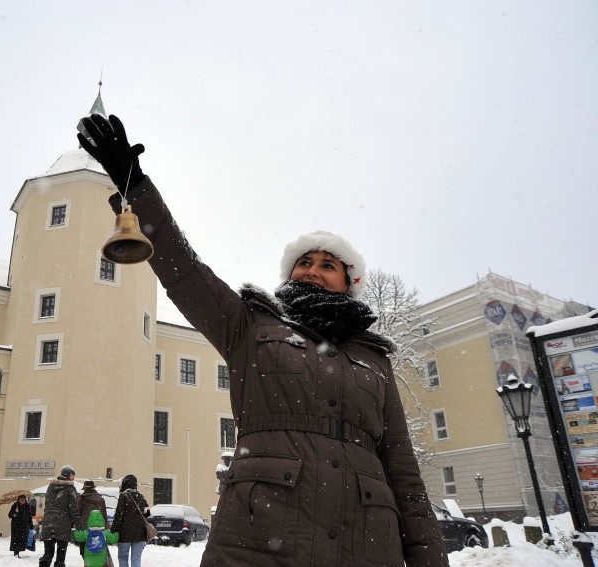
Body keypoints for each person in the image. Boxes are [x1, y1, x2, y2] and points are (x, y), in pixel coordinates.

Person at [78, 114, 450, 566]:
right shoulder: (252, 327)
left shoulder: (374, 359)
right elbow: (185, 271)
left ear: (349, 282)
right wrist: (134, 185)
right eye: (303, 262)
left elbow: (404, 472)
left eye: (327, 264)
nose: (311, 269)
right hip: (259, 537)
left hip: (366, 542)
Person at [39, 465, 81, 567]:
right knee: (61, 555)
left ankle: (45, 562)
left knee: (48, 552)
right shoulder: (70, 488)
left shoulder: (50, 487)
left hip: (48, 523)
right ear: (67, 475)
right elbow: (73, 509)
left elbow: (47, 505)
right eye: (72, 475)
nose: (73, 478)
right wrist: (79, 524)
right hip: (63, 525)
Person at [110, 474, 150, 567]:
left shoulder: (123, 496)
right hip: (140, 534)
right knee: (136, 559)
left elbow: (118, 515)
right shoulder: (141, 497)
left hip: (125, 534)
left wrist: (114, 529)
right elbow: (147, 513)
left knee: (123, 557)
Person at [76, 480, 112, 564]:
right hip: (100, 530)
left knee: (85, 551)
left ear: (84, 489)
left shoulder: (81, 499)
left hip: (85, 529)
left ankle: (89, 564)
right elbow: (104, 515)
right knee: (99, 550)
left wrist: (77, 527)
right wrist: (106, 529)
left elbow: (77, 514)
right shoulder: (101, 499)